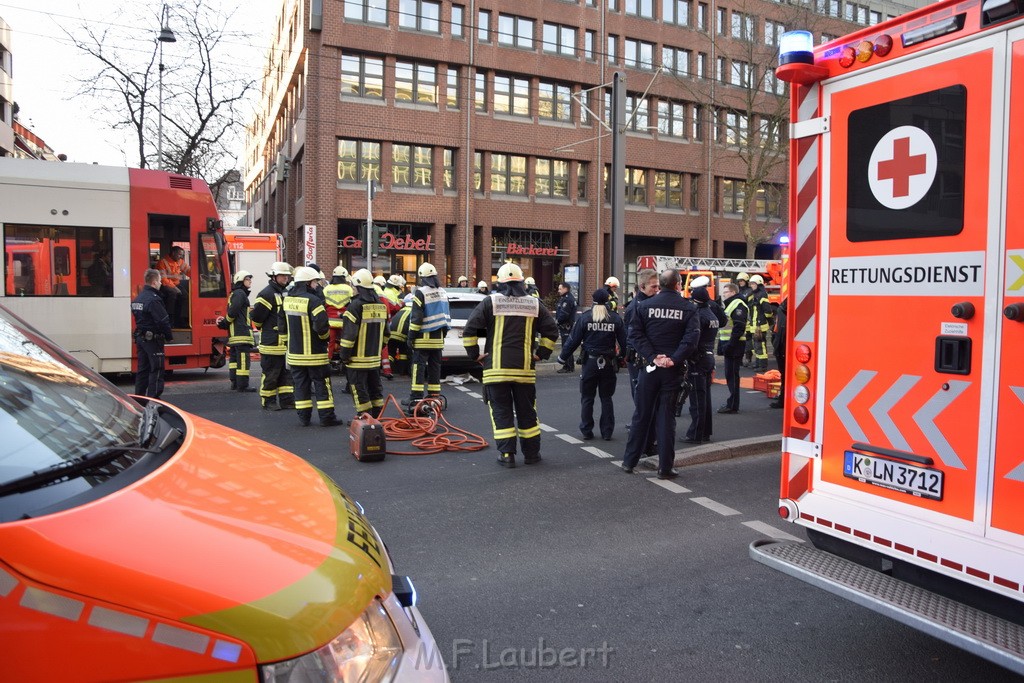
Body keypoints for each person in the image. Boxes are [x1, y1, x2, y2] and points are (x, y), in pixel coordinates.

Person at [462, 263, 559, 467]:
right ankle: (532, 455)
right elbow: (551, 331)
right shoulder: (534, 304)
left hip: (495, 371)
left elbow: (471, 329)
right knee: (527, 412)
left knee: (501, 411)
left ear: (500, 283)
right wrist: (541, 354)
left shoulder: (490, 302)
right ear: (522, 282)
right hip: (524, 370)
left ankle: (507, 456)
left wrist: (475, 355)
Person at [621, 269, 699, 480]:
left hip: (649, 368)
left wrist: (653, 357)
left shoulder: (644, 306)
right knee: (666, 419)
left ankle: (629, 461)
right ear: (678, 284)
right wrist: (673, 358)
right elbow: (691, 340)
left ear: (661, 285)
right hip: (672, 371)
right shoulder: (688, 308)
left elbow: (635, 335)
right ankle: (665, 468)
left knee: (641, 414)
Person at [557, 289, 626, 441]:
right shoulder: (615, 318)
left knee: (587, 397)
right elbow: (624, 342)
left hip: (590, 362)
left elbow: (573, 340)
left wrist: (562, 358)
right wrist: (624, 358)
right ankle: (607, 432)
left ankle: (586, 430)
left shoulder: (586, 318)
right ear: (608, 300)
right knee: (606, 398)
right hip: (608, 363)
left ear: (593, 299)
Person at [283, 266, 343, 427]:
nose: (317, 285)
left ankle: (304, 417)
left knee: (301, 386)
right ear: (308, 283)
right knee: (322, 384)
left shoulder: (287, 299)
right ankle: (327, 417)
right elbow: (321, 327)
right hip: (315, 354)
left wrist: (287, 345)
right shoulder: (314, 301)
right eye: (315, 281)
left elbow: (282, 326)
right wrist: (323, 340)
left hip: (295, 354)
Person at [339, 269, 390, 416]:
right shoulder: (381, 305)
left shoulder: (355, 306)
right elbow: (387, 334)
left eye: (353, 286)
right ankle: (377, 417)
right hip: (374, 359)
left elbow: (349, 336)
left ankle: (364, 419)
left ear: (358, 287)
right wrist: (378, 349)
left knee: (359, 389)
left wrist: (344, 356)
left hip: (356, 360)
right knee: (375, 388)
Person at [683, 276, 726, 444]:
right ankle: (706, 431)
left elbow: (693, 339)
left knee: (697, 399)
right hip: (708, 357)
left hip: (698, 359)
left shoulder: (699, 316)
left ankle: (695, 434)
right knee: (705, 397)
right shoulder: (711, 313)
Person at [406, 262, 451, 412]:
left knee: (418, 369)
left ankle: (416, 399)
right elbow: (445, 317)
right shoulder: (443, 292)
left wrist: (411, 336)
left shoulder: (421, 292)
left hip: (422, 339)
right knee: (435, 369)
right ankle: (434, 398)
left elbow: (416, 318)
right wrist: (442, 336)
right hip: (438, 340)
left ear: (422, 278)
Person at [251, 261, 295, 411]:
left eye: (287, 276)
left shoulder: (286, 292)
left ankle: (286, 400)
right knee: (271, 373)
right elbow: (256, 317)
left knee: (286, 373)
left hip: (284, 343)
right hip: (271, 343)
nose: (285, 278)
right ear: (274, 276)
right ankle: (268, 400)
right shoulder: (266, 293)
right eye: (282, 275)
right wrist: (268, 329)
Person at [131, 268, 174, 398]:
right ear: (154, 282)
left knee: (142, 370)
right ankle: (153, 399)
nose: (161, 283)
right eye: (160, 281)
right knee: (156, 369)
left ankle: (139, 397)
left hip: (141, 338)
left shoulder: (139, 298)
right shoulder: (154, 299)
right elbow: (162, 321)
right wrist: (169, 336)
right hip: (153, 340)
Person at [623, 269, 658, 400]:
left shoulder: (650, 303)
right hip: (638, 354)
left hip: (649, 353)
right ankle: (640, 419)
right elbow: (633, 335)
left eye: (658, 286)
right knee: (640, 390)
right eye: (653, 287)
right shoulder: (635, 307)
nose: (656, 290)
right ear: (642, 287)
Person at [716, 281, 748, 414]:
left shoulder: (738, 304)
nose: (724, 295)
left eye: (726, 292)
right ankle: (732, 403)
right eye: (723, 293)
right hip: (730, 344)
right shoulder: (731, 304)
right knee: (730, 375)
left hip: (734, 345)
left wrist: (729, 345)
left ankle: (733, 405)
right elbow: (725, 327)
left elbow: (739, 327)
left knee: (732, 375)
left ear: (733, 292)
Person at [225, 270, 256, 393]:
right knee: (243, 361)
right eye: (248, 279)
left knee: (234, 360)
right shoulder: (240, 294)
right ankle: (243, 385)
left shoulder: (235, 294)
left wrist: (225, 323)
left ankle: (235, 382)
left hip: (234, 335)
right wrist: (225, 322)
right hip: (241, 334)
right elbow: (233, 312)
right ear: (241, 280)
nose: (250, 281)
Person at [324, 266, 354, 367]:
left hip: (330, 322)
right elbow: (352, 304)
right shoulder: (348, 289)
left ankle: (327, 361)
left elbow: (324, 304)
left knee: (330, 343)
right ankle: (345, 360)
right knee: (345, 343)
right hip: (344, 322)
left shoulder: (326, 289)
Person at [156, 245, 190, 327]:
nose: (181, 256)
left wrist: (199, 276)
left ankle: (180, 319)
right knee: (172, 295)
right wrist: (174, 288)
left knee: (185, 296)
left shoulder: (179, 261)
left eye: (182, 255)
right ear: (173, 253)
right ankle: (170, 321)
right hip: (165, 285)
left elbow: (188, 270)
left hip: (176, 284)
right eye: (179, 254)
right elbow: (163, 279)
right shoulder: (162, 262)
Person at [748, 274, 773, 371]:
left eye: (753, 284)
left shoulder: (762, 294)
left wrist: (769, 321)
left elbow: (767, 310)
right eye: (751, 284)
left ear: (758, 284)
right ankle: (758, 363)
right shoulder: (754, 294)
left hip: (760, 325)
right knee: (756, 346)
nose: (751, 285)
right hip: (755, 325)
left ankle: (763, 365)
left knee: (761, 345)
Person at [554, 283, 577, 374]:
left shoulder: (567, 300)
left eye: (560, 289)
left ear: (565, 289)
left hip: (566, 327)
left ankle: (568, 366)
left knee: (566, 346)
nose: (558, 291)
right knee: (566, 346)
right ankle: (568, 365)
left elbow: (564, 314)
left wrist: (557, 322)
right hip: (565, 327)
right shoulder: (565, 298)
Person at [770, 298, 788, 409]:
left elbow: (779, 332)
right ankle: (783, 398)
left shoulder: (782, 310)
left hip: (781, 348)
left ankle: (783, 399)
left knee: (785, 376)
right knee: (785, 376)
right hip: (781, 348)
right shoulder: (783, 310)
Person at [388, 300, 413, 376]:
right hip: (402, 334)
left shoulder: (402, 310)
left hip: (391, 333)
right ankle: (402, 371)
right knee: (403, 353)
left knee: (391, 353)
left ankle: (389, 370)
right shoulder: (413, 311)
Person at [735, 272, 753, 366]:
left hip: (748, 318)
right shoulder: (739, 291)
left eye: (742, 281)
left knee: (748, 339)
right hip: (741, 317)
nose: (740, 282)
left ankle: (748, 357)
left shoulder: (750, 291)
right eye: (739, 281)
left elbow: (750, 306)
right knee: (740, 339)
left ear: (746, 281)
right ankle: (740, 358)